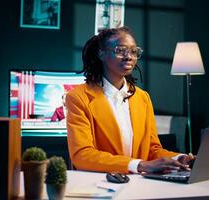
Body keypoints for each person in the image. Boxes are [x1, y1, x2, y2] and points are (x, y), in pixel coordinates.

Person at [66, 26, 194, 174]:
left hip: (138, 185)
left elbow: (152, 149)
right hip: (99, 185)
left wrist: (179, 158)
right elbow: (82, 155)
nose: (129, 56)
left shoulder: (142, 98)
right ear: (101, 54)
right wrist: (139, 165)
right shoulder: (78, 97)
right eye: (120, 50)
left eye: (133, 51)